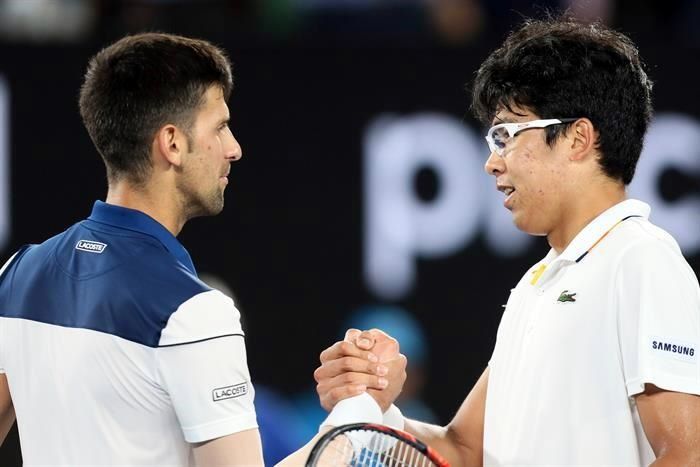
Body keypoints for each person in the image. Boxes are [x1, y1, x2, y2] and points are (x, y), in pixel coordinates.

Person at [314, 16, 700, 466]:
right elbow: (462, 450)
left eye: (506, 135)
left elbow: (687, 454)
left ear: (577, 138)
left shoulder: (641, 260)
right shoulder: (536, 286)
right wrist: (370, 411)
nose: (491, 164)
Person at [0, 32, 382, 466]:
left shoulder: (18, 274)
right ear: (173, 143)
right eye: (219, 127)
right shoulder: (194, 314)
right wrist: (358, 416)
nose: (234, 148)